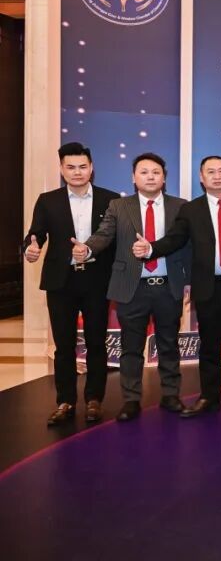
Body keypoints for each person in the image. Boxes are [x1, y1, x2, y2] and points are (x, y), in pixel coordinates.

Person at [135, 155, 221, 418]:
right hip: (209, 288)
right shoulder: (191, 209)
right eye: (211, 172)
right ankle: (209, 396)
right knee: (209, 346)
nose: (217, 176)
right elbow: (175, 240)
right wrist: (151, 249)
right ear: (201, 177)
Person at [75, 152, 190, 421]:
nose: (150, 177)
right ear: (133, 177)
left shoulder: (180, 206)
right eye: (144, 172)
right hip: (132, 287)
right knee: (131, 347)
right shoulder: (119, 206)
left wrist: (189, 281)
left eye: (156, 172)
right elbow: (104, 235)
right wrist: (87, 249)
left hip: (168, 286)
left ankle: (171, 394)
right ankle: (131, 399)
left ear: (164, 178)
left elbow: (186, 245)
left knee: (169, 344)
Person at [23, 142, 120, 426]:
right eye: (71, 167)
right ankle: (65, 401)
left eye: (82, 166)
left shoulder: (110, 200)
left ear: (91, 168)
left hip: (96, 280)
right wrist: (30, 249)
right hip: (61, 282)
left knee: (96, 342)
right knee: (63, 345)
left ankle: (94, 400)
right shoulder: (47, 200)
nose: (77, 172)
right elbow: (35, 235)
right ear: (62, 169)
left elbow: (115, 240)